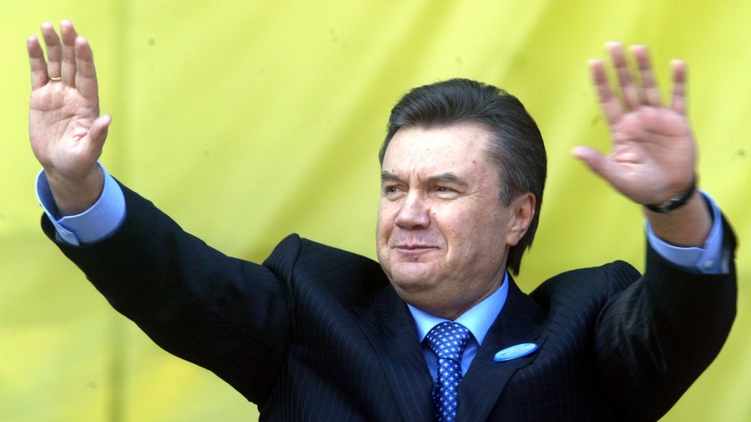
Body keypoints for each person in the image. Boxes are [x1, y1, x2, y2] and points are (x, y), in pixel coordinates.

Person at [28, 20, 736, 422]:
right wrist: (77, 182)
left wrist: (672, 204)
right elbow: (174, 280)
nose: (408, 214)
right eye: (393, 187)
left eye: (443, 189)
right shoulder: (310, 308)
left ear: (517, 216)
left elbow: (681, 321)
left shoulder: (586, 324)